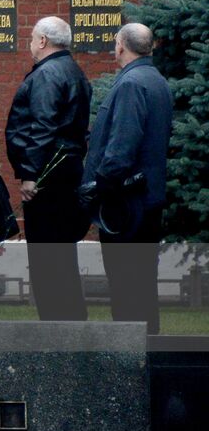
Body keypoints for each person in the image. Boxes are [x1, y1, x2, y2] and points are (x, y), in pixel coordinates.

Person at [80, 23, 172, 333]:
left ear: (121, 47)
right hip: (146, 200)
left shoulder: (132, 83)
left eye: (116, 43)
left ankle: (132, 365)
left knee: (127, 289)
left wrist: (101, 185)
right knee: (143, 288)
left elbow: (122, 144)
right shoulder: (155, 80)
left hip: (127, 204)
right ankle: (148, 359)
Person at [6, 15, 92, 321]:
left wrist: (30, 173)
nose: (30, 44)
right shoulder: (73, 71)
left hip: (48, 176)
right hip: (65, 171)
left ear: (42, 41)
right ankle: (68, 323)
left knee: (47, 258)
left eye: (31, 38)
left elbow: (43, 126)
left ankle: (57, 328)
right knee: (60, 256)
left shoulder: (47, 74)